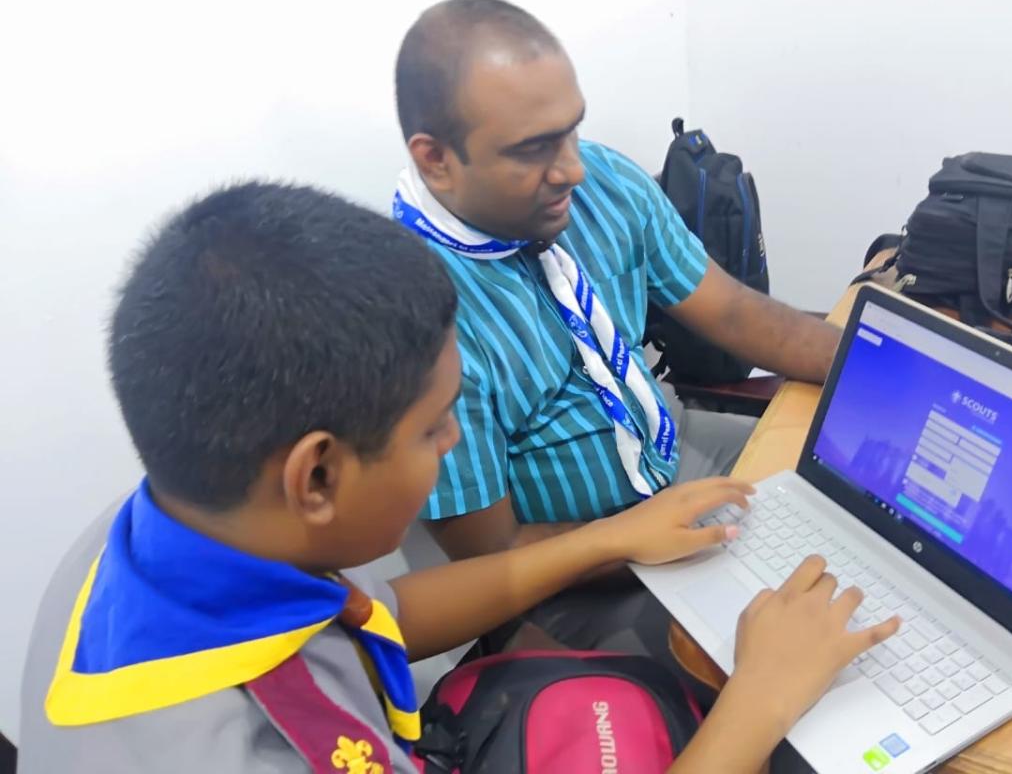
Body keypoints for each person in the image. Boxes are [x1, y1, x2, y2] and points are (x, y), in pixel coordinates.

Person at [19, 182, 897, 773]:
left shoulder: (161, 530)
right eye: (436, 426)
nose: (455, 443)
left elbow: (371, 620)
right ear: (316, 475)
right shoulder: (261, 747)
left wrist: (605, 538)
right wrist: (764, 696)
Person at [391, 0, 843, 654]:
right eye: (534, 149)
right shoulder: (414, 318)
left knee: (878, 514)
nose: (573, 167)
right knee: (788, 657)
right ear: (436, 160)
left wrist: (881, 374)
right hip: (568, 573)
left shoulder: (598, 182)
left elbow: (738, 312)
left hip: (675, 454)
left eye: (572, 130)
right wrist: (643, 541)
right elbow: (494, 557)